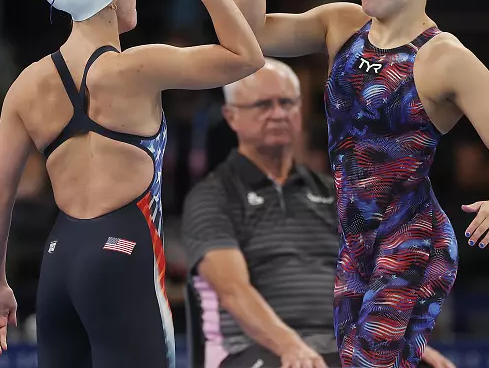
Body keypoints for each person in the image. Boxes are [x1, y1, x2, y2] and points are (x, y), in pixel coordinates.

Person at [231, 0, 489, 368]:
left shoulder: (445, 59)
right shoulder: (342, 24)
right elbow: (248, 34)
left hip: (413, 240)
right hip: (356, 240)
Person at [0, 0, 264, 368]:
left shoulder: (26, 86)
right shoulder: (139, 68)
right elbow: (247, 56)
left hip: (60, 262)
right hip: (122, 256)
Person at [182, 59, 456, 368]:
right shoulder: (213, 196)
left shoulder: (334, 195)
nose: (278, 114)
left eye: (287, 103)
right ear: (231, 117)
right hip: (255, 350)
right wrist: (291, 347)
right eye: (263, 104)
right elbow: (233, 290)